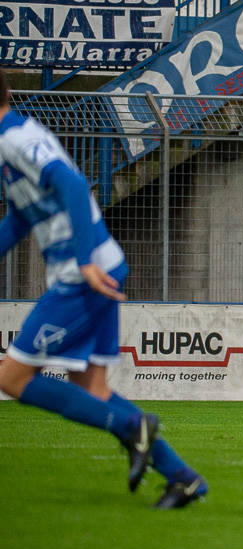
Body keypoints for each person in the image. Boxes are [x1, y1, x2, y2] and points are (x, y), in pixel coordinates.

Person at [0, 68, 207, 507]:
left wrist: (84, 261)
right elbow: (21, 217)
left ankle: (133, 428)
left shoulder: (13, 139)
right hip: (98, 267)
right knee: (91, 389)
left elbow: (74, 184)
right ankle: (183, 478)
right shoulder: (15, 137)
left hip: (84, 275)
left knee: (14, 379)